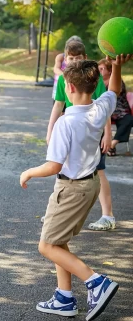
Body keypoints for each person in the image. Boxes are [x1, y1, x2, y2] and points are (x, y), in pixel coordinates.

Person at [20, 55, 130, 321]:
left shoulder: (66, 123)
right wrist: (116, 67)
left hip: (71, 188)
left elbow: (53, 165)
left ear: (69, 88)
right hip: (89, 184)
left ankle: (95, 282)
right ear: (93, 87)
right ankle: (64, 298)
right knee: (58, 241)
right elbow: (114, 90)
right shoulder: (99, 108)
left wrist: (28, 172)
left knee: (46, 246)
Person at [46, 41, 116, 232]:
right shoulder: (63, 79)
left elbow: (105, 105)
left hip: (90, 129)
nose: (74, 61)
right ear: (65, 59)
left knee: (97, 172)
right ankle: (57, 211)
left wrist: (107, 134)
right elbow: (58, 105)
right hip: (72, 129)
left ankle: (107, 215)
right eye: (71, 58)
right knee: (63, 168)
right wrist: (49, 131)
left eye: (78, 58)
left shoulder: (92, 78)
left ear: (85, 59)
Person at [98, 58, 133, 157]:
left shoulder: (116, 81)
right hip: (104, 111)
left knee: (128, 120)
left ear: (109, 71)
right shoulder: (97, 82)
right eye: (98, 69)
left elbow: (114, 95)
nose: (99, 71)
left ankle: (113, 144)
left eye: (102, 69)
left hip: (119, 111)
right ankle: (102, 146)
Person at [52, 36, 83, 102]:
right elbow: (56, 68)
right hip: (62, 83)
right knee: (59, 103)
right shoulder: (61, 57)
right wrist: (66, 75)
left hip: (73, 87)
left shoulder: (80, 57)